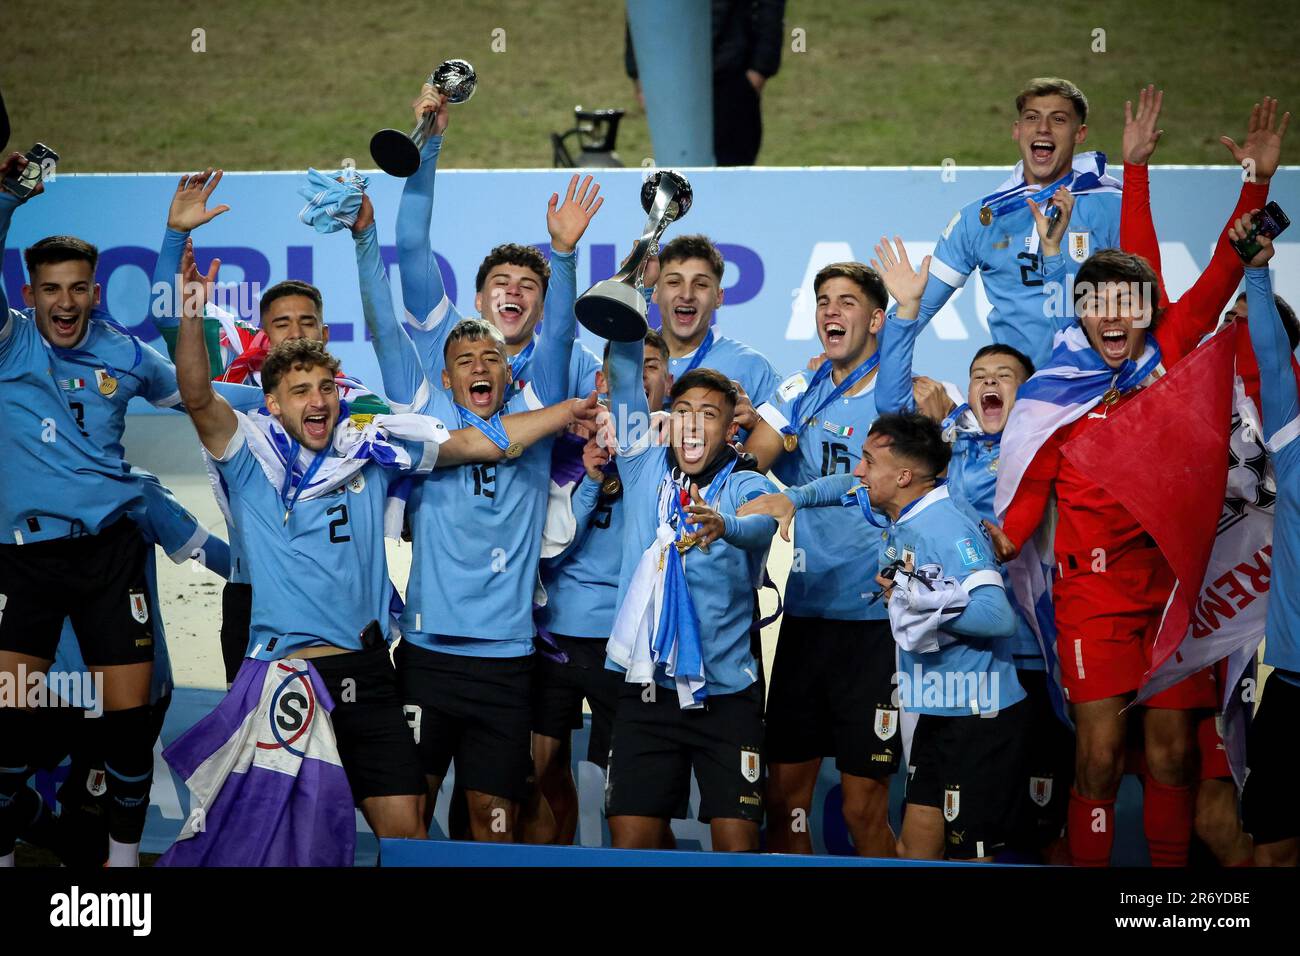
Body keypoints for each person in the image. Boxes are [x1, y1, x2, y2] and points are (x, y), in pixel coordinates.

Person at [171, 243, 597, 843]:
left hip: (370, 675)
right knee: (277, 836)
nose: (317, 400)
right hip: (290, 678)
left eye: (325, 387)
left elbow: (474, 443)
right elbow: (196, 396)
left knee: (405, 832)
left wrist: (562, 413)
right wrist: (192, 313)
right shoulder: (251, 461)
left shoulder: (369, 453)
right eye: (300, 391)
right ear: (272, 403)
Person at [984, 94, 1286, 867]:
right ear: (1081, 313)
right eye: (1101, 304)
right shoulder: (1054, 389)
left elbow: (1228, 262)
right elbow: (1024, 498)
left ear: (1148, 309)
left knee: (1174, 758)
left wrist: (1253, 186)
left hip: (1174, 590)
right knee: (1097, 755)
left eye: (1130, 302)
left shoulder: (1173, 348)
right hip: (1093, 595)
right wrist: (1000, 538)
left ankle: (1162, 904)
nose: (1116, 316)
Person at [867, 235, 1072, 859]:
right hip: (960, 666)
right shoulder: (949, 449)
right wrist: (905, 316)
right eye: (978, 375)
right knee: (935, 823)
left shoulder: (1050, 447)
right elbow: (889, 420)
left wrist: (1059, 265)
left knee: (1039, 827)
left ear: (1028, 395)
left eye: (1003, 378)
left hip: (1036, 658)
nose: (987, 382)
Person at [149, 168, 391, 686]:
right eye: (282, 323)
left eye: (307, 323)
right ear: (262, 333)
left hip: (339, 598)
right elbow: (169, 320)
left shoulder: (357, 403)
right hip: (253, 594)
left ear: (325, 335)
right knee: (258, 760)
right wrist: (175, 237)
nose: (295, 332)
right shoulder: (231, 385)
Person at [735, 262, 901, 857]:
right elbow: (751, 463)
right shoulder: (797, 390)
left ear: (877, 319)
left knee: (863, 810)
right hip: (804, 621)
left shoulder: (900, 394)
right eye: (823, 300)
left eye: (847, 302)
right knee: (786, 804)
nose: (831, 312)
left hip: (874, 628)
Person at [602, 328, 779, 852]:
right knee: (631, 842)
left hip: (725, 695)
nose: (694, 423)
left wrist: (726, 525)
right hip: (647, 689)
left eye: (709, 413)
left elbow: (762, 526)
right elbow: (625, 378)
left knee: (737, 844)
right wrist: (630, 307)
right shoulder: (641, 463)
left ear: (730, 431)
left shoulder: (745, 482)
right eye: (683, 410)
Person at [525, 331, 672, 845]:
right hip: (560, 635)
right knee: (540, 776)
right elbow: (551, 548)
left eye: (654, 367)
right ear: (600, 381)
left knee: (622, 791)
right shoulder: (563, 449)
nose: (643, 376)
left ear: (667, 381)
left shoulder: (676, 452)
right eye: (635, 367)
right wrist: (588, 479)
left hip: (630, 645)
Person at [395, 84, 603, 403]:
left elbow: (616, 412)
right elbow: (411, 244)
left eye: (528, 286)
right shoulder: (443, 336)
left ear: (546, 309)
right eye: (501, 282)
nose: (513, 291)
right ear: (478, 301)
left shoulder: (574, 360)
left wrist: (563, 251)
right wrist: (429, 141)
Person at [915, 77, 1122, 367]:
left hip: (1094, 391)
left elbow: (1144, 303)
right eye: (1032, 118)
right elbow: (917, 309)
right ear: (1017, 130)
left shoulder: (1111, 207)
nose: (1043, 128)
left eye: (1059, 119)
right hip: (1016, 397)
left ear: (1080, 133)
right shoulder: (981, 217)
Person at [1234, 214, 1300, 867]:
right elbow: (1272, 359)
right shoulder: (1293, 443)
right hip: (1294, 690)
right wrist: (1256, 273)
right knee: (1273, 852)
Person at [625, 0, 786, 165]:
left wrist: (760, 69)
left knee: (730, 175)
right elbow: (642, 7)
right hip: (671, 75)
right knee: (674, 169)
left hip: (732, 78)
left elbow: (770, 6)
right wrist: (639, 72)